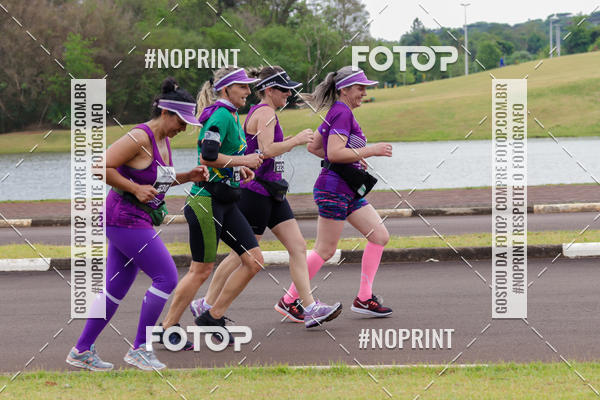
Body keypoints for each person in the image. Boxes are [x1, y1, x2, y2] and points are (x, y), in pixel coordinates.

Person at [66, 77, 209, 371]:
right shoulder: (139, 137)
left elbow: (156, 180)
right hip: (124, 218)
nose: (184, 128)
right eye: (181, 121)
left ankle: (81, 350)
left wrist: (188, 176)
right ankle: (140, 349)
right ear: (165, 113)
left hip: (135, 219)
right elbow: (99, 167)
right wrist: (133, 188)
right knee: (167, 277)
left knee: (115, 288)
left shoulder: (163, 141)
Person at [189, 66, 342, 328]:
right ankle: (206, 303)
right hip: (256, 193)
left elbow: (266, 150)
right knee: (241, 255)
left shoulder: (262, 112)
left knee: (298, 247)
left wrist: (289, 141)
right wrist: (296, 140)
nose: (289, 94)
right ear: (269, 90)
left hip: (273, 192)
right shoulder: (265, 113)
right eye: (284, 90)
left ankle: (309, 307)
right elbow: (266, 150)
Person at [160, 67, 264, 342]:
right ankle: (168, 326)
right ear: (226, 89)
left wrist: (237, 169)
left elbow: (221, 158)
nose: (248, 91)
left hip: (225, 201)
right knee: (201, 270)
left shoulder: (231, 114)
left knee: (253, 261)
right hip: (206, 202)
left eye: (249, 86)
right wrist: (244, 161)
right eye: (243, 86)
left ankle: (212, 316)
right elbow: (207, 156)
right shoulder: (220, 115)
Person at [284, 66, 394, 317]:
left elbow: (315, 148)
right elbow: (333, 153)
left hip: (347, 189)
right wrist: (370, 150)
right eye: (360, 88)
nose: (364, 93)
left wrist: (353, 159)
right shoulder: (342, 113)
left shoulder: (336, 111)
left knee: (379, 235)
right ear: (344, 89)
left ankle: (364, 298)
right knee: (325, 249)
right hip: (334, 190)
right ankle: (289, 300)